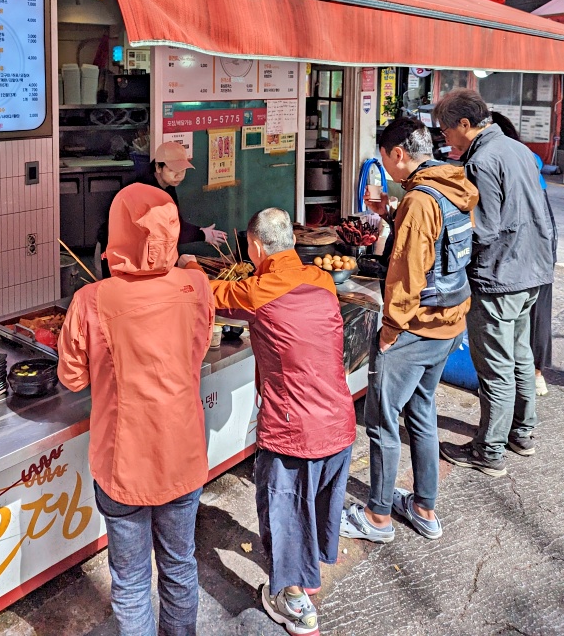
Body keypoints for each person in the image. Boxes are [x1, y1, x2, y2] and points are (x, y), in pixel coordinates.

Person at [181, 208, 355, 636]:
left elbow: (209, 293)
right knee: (312, 503)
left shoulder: (260, 291)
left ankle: (293, 601)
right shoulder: (321, 280)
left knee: (284, 507)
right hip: (338, 417)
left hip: (294, 425)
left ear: (255, 247)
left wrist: (187, 267)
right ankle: (307, 573)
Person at [58, 183, 214, 636]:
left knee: (129, 582)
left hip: (123, 463)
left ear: (116, 235)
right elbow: (198, 349)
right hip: (183, 453)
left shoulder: (92, 299)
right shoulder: (196, 286)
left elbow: (72, 378)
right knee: (180, 565)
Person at [340, 118, 477, 546]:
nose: (387, 170)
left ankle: (378, 516)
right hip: (449, 321)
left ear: (398, 153)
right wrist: (393, 214)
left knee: (381, 420)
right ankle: (424, 507)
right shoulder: (452, 185)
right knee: (421, 412)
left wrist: (389, 329)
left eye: (385, 160)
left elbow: (407, 274)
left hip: (415, 327)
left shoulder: (420, 200)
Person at [435, 90, 553, 477]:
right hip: (531, 270)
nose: (445, 138)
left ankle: (489, 451)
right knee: (519, 356)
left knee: (495, 367)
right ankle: (523, 432)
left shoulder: (482, 161)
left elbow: (482, 229)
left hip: (500, 275)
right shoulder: (516, 149)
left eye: (446, 129)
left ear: (465, 125)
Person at [490, 111, 555, 397]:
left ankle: (536, 372)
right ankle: (531, 377)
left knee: (536, 307)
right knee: (528, 311)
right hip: (535, 226)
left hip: (534, 227)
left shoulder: (515, 157)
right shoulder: (519, 155)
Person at [96, 141, 227, 276]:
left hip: (138, 252)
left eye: (182, 170)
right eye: (172, 170)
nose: (179, 176)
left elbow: (173, 224)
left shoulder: (167, 185)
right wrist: (202, 234)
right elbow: (166, 232)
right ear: (158, 167)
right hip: (114, 250)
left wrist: (201, 232)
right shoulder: (145, 190)